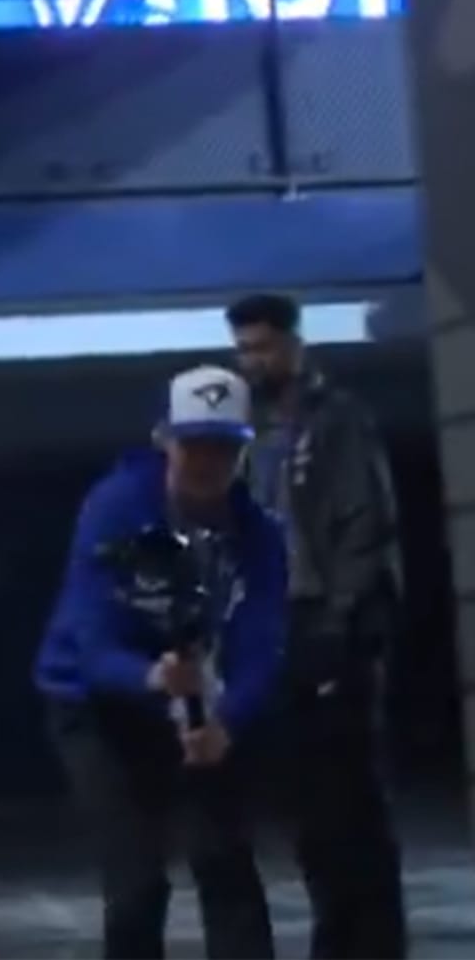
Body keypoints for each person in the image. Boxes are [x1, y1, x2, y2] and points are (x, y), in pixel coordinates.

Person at [35, 365, 288, 960]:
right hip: (96, 702)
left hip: (199, 697)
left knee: (226, 858)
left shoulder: (257, 534)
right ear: (163, 440)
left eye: (223, 448)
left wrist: (226, 721)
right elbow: (93, 644)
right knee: (136, 880)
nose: (207, 462)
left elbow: (262, 641)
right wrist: (153, 680)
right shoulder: (116, 508)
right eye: (193, 444)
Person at [226, 292, 407, 959]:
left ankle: (373, 944)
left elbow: (364, 522)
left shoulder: (335, 418)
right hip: (280, 631)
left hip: (332, 626)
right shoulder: (251, 430)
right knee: (310, 812)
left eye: (264, 347)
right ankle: (342, 940)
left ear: (295, 344)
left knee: (349, 801)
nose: (254, 361)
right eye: (244, 349)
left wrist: (343, 619)